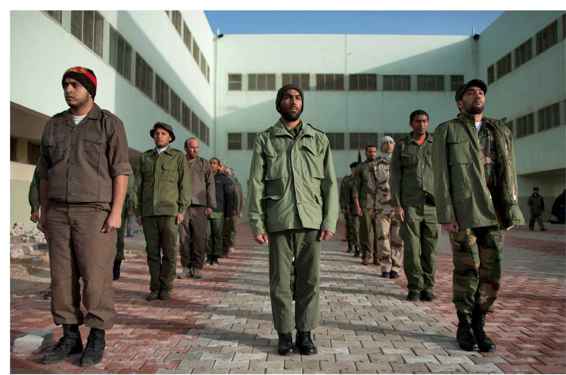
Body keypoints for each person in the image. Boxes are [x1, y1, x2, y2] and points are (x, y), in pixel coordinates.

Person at [38, 67, 131, 366]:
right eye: (65, 84)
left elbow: (120, 171)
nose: (68, 89)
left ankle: (97, 337)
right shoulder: (54, 125)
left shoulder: (109, 124)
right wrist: (43, 210)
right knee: (62, 278)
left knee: (96, 277)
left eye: (75, 85)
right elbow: (43, 173)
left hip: (95, 213)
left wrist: (116, 212)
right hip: (58, 212)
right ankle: (69, 337)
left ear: (89, 89)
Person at [433, 79, 524, 352]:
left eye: (481, 92)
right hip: (465, 213)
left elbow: (510, 172)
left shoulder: (500, 131)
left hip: (495, 213)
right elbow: (441, 176)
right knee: (466, 270)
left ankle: (479, 324)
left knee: (492, 271)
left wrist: (511, 208)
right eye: (471, 92)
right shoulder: (447, 130)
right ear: (460, 102)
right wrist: (447, 213)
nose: (478, 95)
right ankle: (464, 325)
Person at [247, 84, 339, 356]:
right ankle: (285, 334)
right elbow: (255, 183)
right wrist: (256, 222)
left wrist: (330, 220)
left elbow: (330, 183)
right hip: (279, 219)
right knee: (280, 282)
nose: (293, 101)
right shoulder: (266, 139)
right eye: (288, 97)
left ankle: (306, 334)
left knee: (310, 281)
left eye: (298, 98)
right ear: (279, 104)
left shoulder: (318, 138)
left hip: (311, 219)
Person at [136, 122, 190, 301]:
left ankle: (166, 287)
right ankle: (155, 287)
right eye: (157, 133)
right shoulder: (145, 157)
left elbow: (184, 185)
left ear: (170, 138)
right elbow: (139, 186)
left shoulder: (178, 157)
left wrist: (182, 209)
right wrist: (138, 211)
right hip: (149, 212)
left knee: (169, 252)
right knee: (152, 252)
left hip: (169, 212)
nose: (159, 136)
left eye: (163, 133)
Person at [391, 110, 438, 301]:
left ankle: (428, 286)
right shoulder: (402, 146)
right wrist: (397, 204)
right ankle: (415, 287)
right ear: (411, 124)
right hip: (410, 205)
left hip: (432, 206)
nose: (422, 124)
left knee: (430, 249)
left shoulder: (436, 144)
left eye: (425, 121)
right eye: (418, 121)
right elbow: (395, 176)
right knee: (411, 248)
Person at [177, 137, 216, 279]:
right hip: (183, 206)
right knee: (183, 238)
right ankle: (186, 267)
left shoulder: (204, 164)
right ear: (186, 148)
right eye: (192, 147)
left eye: (197, 147)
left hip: (200, 206)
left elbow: (210, 184)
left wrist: (211, 204)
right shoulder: (180, 162)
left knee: (200, 237)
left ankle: (197, 267)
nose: (195, 150)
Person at [375, 136, 404, 279]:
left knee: (397, 238)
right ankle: (385, 266)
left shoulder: (401, 162)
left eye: (391, 142)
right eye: (385, 142)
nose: (388, 145)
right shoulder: (375, 164)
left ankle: (396, 267)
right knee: (382, 237)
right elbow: (371, 187)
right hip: (382, 206)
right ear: (381, 146)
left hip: (398, 206)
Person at [353, 144, 380, 266]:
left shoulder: (382, 166)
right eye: (370, 151)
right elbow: (355, 188)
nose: (372, 154)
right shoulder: (360, 167)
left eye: (374, 151)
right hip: (365, 203)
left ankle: (377, 256)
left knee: (379, 231)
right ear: (366, 152)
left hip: (380, 203)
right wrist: (357, 205)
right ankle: (366, 255)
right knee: (366, 231)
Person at [208, 157, 234, 265]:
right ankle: (209, 255)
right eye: (210, 163)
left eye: (214, 163)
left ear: (219, 166)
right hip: (206, 211)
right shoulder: (205, 177)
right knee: (207, 235)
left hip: (218, 211)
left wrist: (228, 214)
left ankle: (216, 256)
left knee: (217, 234)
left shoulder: (224, 179)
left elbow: (229, 197)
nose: (212, 165)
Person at [113, 173, 136, 280]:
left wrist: (131, 207)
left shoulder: (127, 170)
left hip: (121, 205)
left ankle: (116, 264)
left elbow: (131, 190)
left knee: (118, 237)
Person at [340, 162, 360, 256]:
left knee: (356, 228)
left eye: (356, 168)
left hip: (357, 208)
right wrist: (342, 206)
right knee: (349, 227)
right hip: (348, 207)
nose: (354, 170)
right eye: (353, 169)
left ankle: (357, 248)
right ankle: (350, 246)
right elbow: (342, 194)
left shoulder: (360, 180)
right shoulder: (346, 179)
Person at [222, 166, 243, 256]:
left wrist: (238, 210)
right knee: (224, 229)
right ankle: (225, 247)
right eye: (225, 173)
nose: (226, 174)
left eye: (227, 173)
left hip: (233, 210)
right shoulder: (223, 182)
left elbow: (239, 197)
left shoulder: (235, 183)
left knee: (232, 228)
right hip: (223, 210)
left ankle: (230, 245)